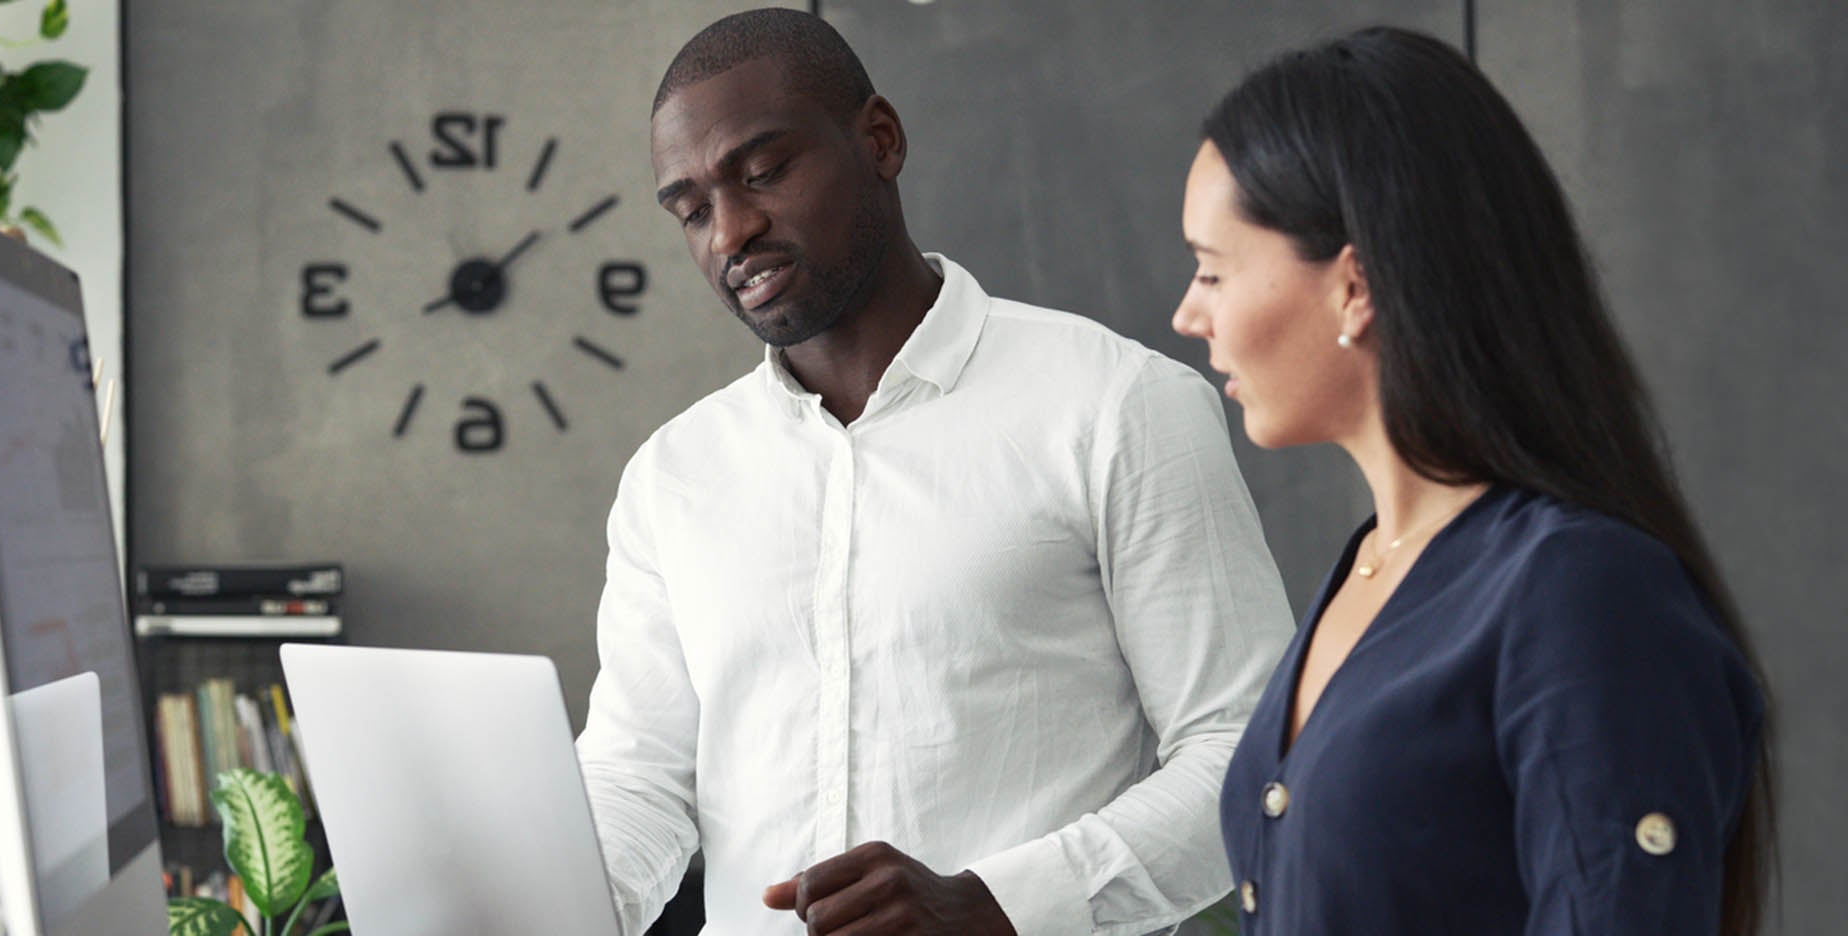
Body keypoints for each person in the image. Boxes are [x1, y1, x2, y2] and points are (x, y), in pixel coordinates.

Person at [575, 9, 1293, 935]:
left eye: (761, 175)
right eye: (691, 210)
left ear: (879, 139)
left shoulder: (1117, 405)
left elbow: (1247, 759)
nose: (730, 232)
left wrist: (996, 906)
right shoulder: (673, 477)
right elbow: (638, 778)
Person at [1170, 26, 1773, 935]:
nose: (1188, 313)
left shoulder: (1579, 592)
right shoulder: (1372, 566)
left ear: (1354, 286)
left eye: (1214, 271)